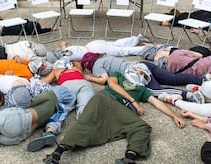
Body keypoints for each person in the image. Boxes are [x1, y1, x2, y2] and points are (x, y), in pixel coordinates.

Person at [43, 63, 185, 164]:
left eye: (144, 75)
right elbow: (112, 85)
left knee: (142, 127)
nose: (140, 75)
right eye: (139, 71)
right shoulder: (118, 75)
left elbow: (156, 102)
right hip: (104, 99)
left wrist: (174, 116)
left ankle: (129, 158)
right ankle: (57, 153)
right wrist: (133, 101)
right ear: (132, 69)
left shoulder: (142, 90)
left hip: (122, 110)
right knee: (85, 124)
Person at [80, 53, 207, 104]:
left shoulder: (96, 65)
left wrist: (88, 78)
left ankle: (189, 96)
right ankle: (203, 80)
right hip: (143, 64)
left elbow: (104, 79)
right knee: (173, 78)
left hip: (137, 73)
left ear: (87, 63)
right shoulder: (105, 57)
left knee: (155, 91)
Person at [28, 58, 95, 152]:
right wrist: (71, 59)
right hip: (83, 84)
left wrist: (35, 77)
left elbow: (44, 81)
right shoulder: (76, 68)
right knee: (85, 106)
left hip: (66, 87)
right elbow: (77, 61)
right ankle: (85, 130)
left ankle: (50, 131)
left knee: (60, 109)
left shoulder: (56, 71)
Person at [49, 34, 152, 63]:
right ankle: (137, 38)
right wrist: (63, 43)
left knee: (123, 51)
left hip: (95, 51)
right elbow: (63, 46)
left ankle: (147, 49)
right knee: (117, 44)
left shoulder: (65, 58)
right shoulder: (65, 50)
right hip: (93, 45)